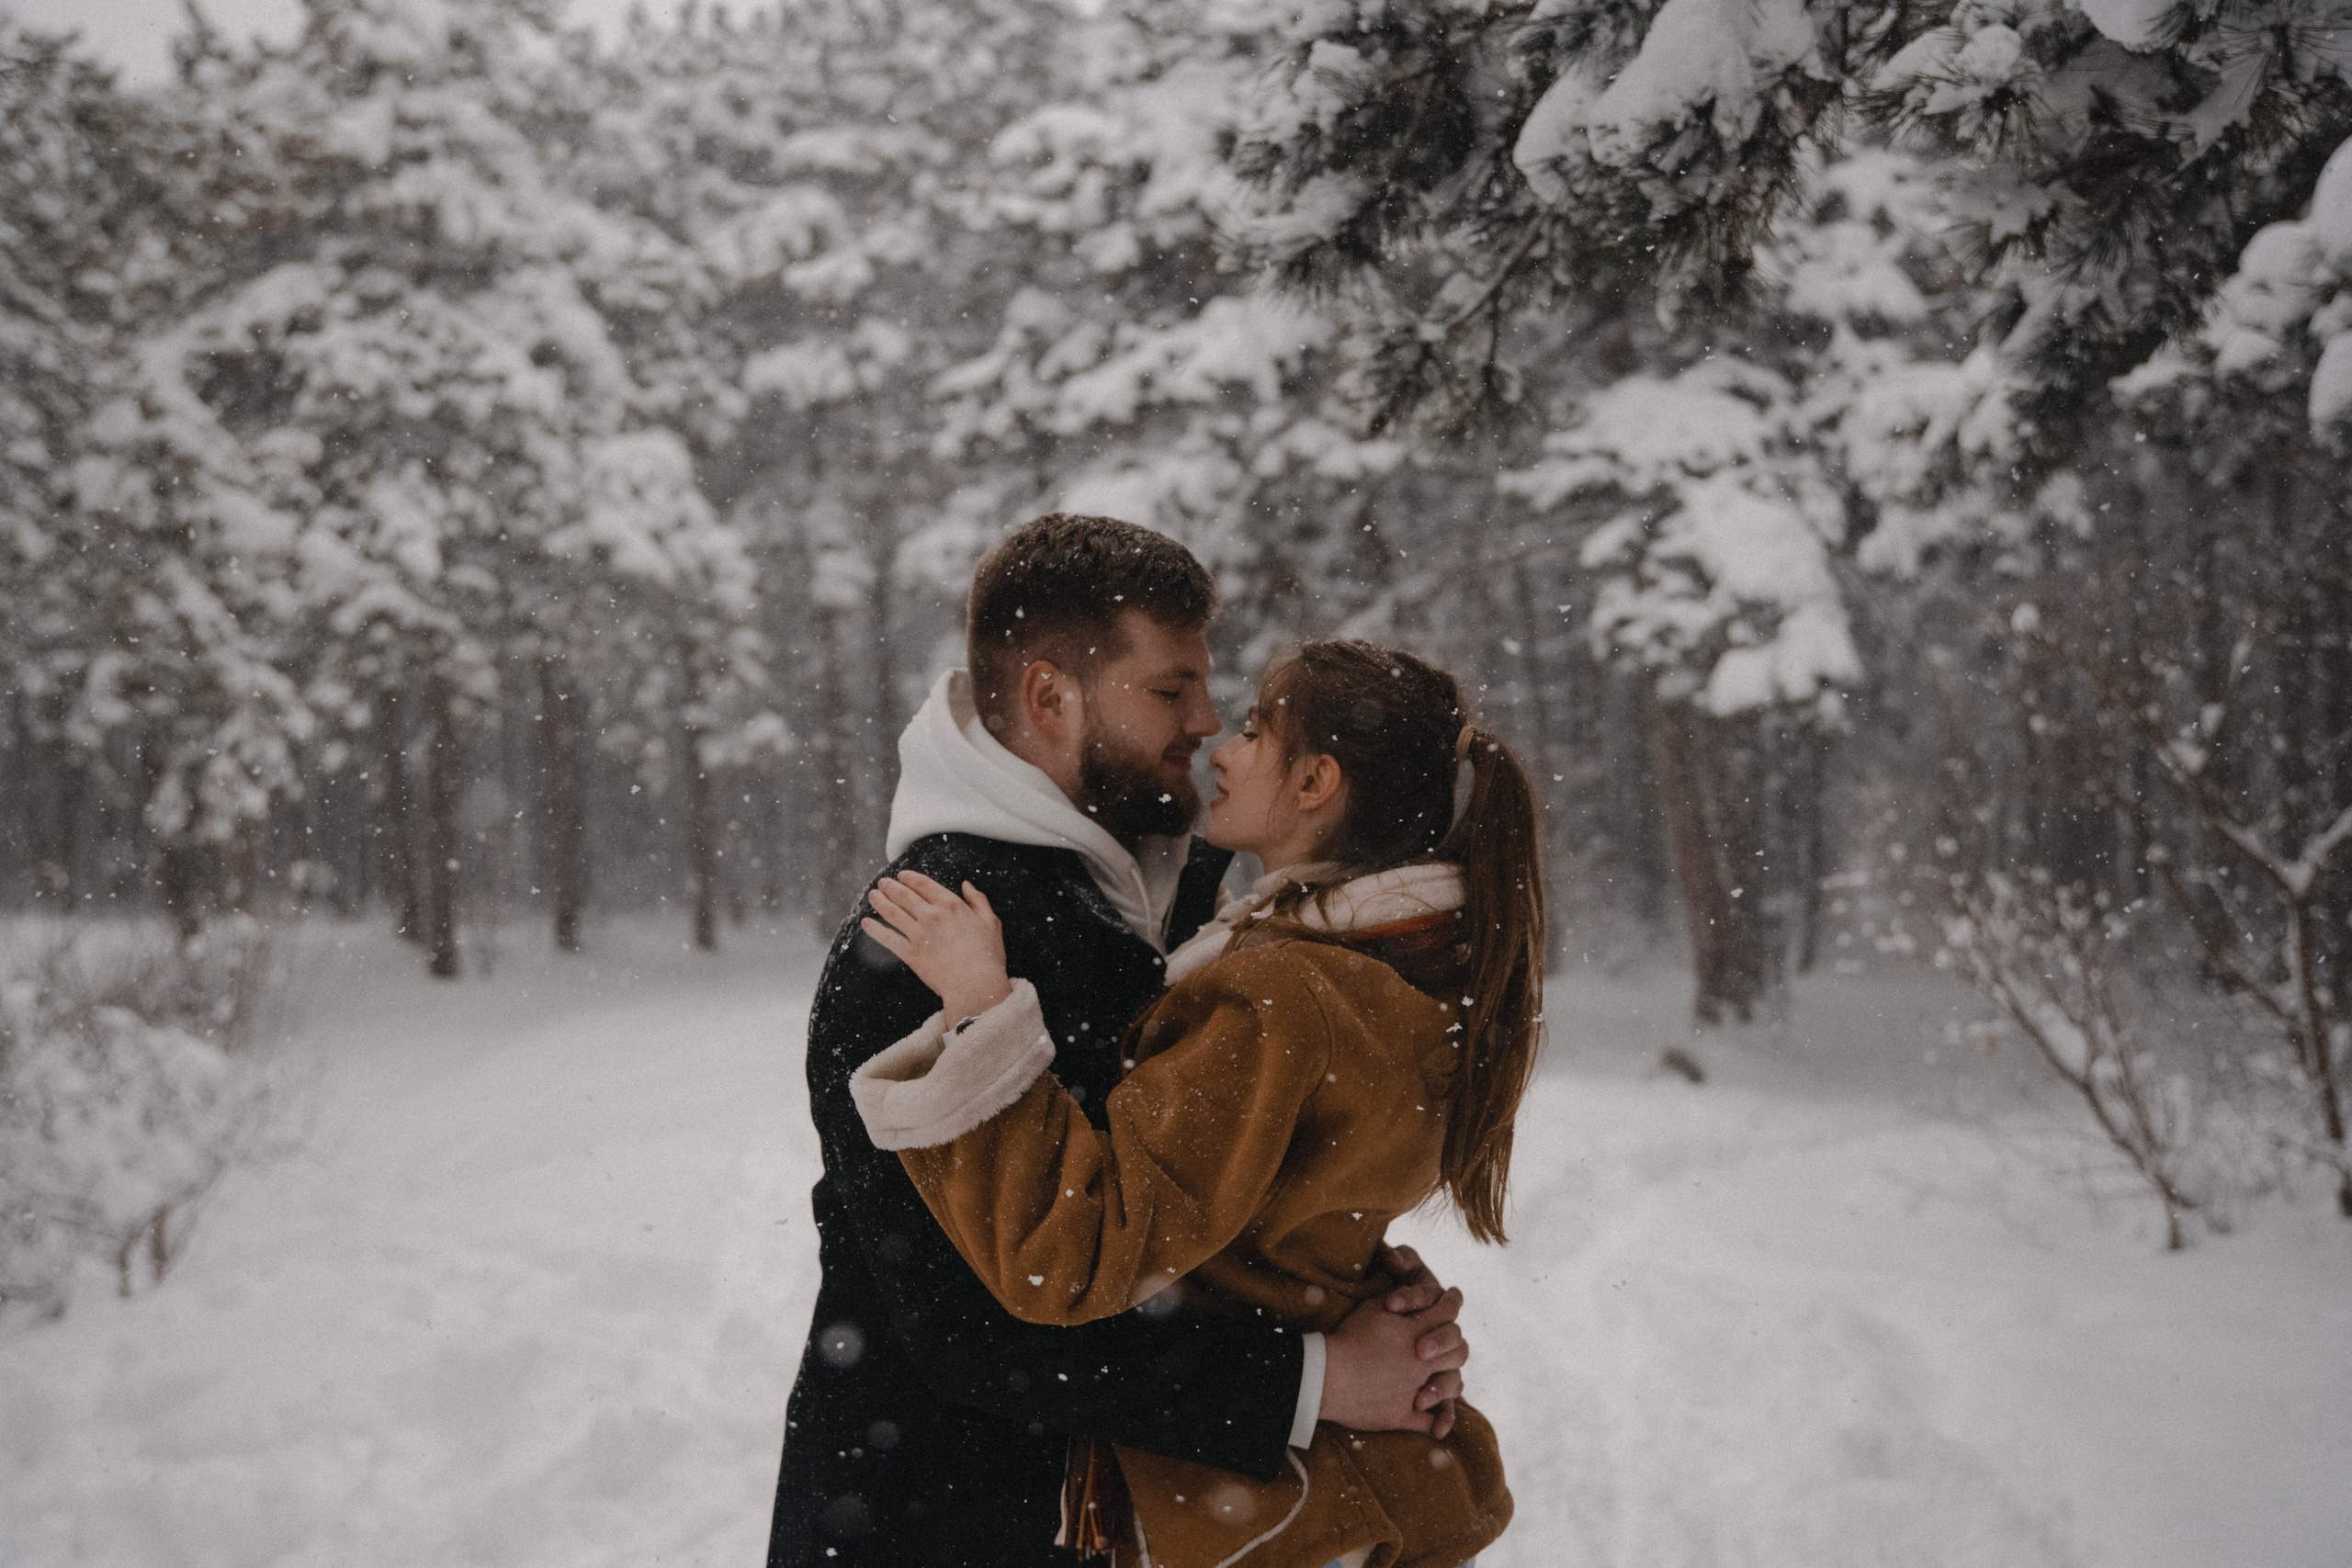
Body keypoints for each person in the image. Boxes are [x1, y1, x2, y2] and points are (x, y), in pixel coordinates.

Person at [767, 519, 1474, 1568]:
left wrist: (1363, 1299)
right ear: (1052, 698)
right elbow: (968, 1328)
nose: (1204, 719)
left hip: (1100, 1521)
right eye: (1169, 689)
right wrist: (1321, 1377)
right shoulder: (934, 927)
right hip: (942, 1525)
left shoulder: (1155, 895)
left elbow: (1190, 1199)